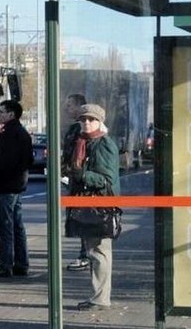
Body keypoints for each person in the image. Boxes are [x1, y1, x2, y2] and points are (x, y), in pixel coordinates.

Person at [69, 104, 120, 311]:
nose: (87, 123)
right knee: (93, 252)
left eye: (91, 119)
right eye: (83, 120)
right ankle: (98, 296)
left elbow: (107, 179)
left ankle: (101, 299)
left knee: (100, 252)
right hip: (89, 204)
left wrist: (83, 175)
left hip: (101, 206)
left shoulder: (103, 144)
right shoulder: (85, 142)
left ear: (100, 122)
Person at [0, 99, 33, 278]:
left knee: (5, 226)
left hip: (7, 185)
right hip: (17, 184)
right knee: (17, 225)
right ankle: (21, 263)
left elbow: (5, 162)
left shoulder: (11, 134)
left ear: (11, 114)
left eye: (3, 111)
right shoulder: (20, 132)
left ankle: (5, 264)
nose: (0, 114)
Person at [62, 93, 90, 272]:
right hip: (73, 178)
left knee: (85, 218)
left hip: (83, 181)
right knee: (78, 218)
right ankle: (84, 253)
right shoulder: (73, 129)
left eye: (70, 105)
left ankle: (85, 255)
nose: (67, 109)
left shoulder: (85, 131)